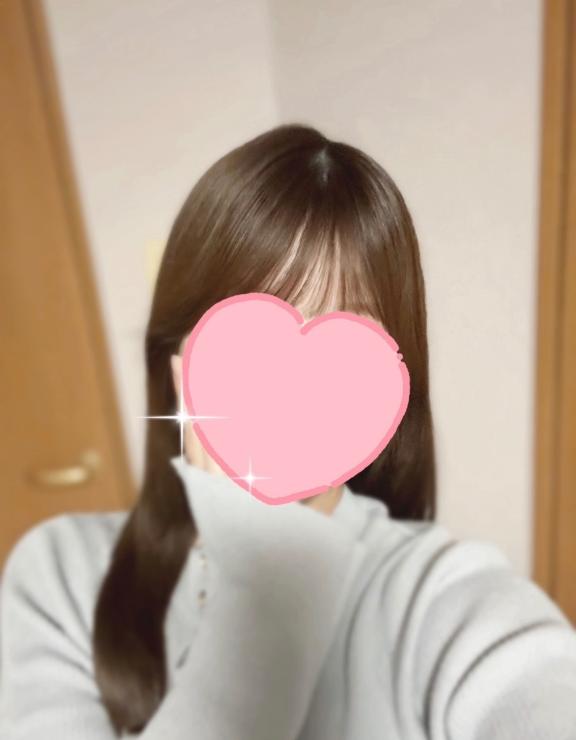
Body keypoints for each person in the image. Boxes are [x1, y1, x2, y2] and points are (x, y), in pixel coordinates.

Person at [1, 124, 575, 740]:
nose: (291, 395)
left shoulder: (435, 596)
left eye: (346, 350)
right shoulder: (62, 574)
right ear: (178, 368)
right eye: (249, 338)